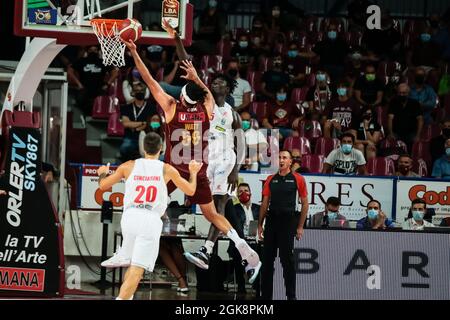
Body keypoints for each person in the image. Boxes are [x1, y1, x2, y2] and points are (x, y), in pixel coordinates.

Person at [124, 23, 261, 282]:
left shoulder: (172, 106)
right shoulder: (207, 108)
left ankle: (131, 249)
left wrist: (134, 52)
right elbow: (205, 90)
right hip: (199, 169)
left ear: (183, 94)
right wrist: (192, 68)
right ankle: (244, 250)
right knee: (211, 213)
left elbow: (150, 80)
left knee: (142, 199)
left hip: (182, 168)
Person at [98, 132, 202, 300]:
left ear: (143, 148)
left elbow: (103, 186)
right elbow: (191, 190)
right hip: (149, 218)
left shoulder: (128, 166)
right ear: (161, 149)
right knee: (138, 269)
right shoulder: (166, 169)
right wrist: (193, 173)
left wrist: (103, 172)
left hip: (130, 216)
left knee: (132, 265)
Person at [184, 73, 244, 269]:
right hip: (207, 159)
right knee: (211, 208)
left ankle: (206, 250)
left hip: (226, 161)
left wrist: (235, 170)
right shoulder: (204, 106)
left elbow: (240, 144)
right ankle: (229, 247)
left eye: (221, 82)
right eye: (214, 82)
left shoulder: (232, 114)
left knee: (219, 205)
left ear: (227, 89)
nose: (216, 84)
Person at [258, 150, 309, 300]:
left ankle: (291, 296)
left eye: (284, 158)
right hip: (272, 221)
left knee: (287, 261)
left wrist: (300, 226)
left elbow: (305, 204)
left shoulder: (298, 179)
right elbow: (264, 204)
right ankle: (266, 297)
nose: (281, 160)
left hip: (288, 222)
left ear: (290, 162)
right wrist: (260, 225)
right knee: (267, 262)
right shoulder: (270, 179)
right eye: (279, 158)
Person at [120, 83, 157, 162]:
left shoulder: (152, 107)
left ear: (145, 93)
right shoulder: (126, 107)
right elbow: (126, 124)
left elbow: (156, 124)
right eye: (137, 90)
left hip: (147, 137)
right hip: (131, 137)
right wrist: (144, 123)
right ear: (133, 93)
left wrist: (135, 125)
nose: (140, 92)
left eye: (142, 91)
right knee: (125, 148)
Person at [387, 83, 424, 152]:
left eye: (404, 93)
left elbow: (420, 119)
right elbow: (390, 118)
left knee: (415, 142)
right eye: (400, 93)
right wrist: (391, 133)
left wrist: (418, 135)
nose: (401, 95)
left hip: (411, 133)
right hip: (396, 132)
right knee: (390, 142)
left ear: (408, 93)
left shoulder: (415, 103)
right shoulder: (393, 102)